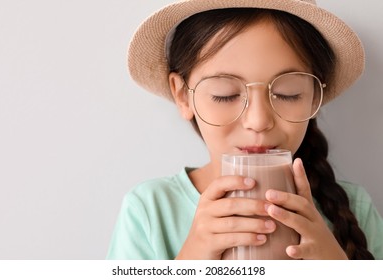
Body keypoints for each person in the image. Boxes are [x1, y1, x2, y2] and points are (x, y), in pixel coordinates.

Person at [107, 0, 383, 260]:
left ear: (313, 96)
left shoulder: (354, 207)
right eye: (225, 94)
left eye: (288, 93)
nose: (258, 121)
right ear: (183, 96)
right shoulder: (150, 210)